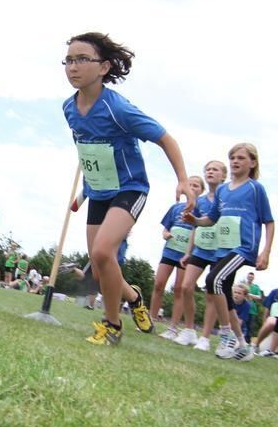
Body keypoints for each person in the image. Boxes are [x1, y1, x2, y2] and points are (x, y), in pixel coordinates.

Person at [62, 32, 194, 346]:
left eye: (82, 59)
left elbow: (165, 138)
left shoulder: (118, 109)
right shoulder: (69, 108)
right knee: (99, 262)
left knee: (103, 251)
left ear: (104, 67)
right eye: (68, 60)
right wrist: (84, 191)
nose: (72, 66)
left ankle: (112, 326)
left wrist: (183, 179)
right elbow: (87, 151)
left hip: (130, 189)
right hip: (98, 191)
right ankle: (134, 298)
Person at [183, 144, 274, 361]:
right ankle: (243, 345)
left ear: (252, 163)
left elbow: (269, 221)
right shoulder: (223, 190)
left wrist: (266, 252)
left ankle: (226, 335)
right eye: (232, 157)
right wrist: (195, 221)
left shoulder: (255, 188)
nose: (235, 161)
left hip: (243, 247)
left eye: (241, 158)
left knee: (213, 278)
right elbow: (211, 219)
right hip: (223, 247)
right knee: (223, 291)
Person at [172, 161, 226, 349]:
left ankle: (205, 338)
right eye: (208, 169)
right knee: (186, 287)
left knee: (212, 293)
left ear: (223, 176)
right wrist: (188, 252)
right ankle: (188, 331)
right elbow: (195, 226)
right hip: (200, 249)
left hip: (219, 250)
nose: (210, 172)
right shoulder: (200, 201)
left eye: (215, 169)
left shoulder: (227, 198)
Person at [155, 176, 204, 341]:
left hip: (187, 255)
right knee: (158, 284)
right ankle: (150, 320)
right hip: (170, 251)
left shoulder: (202, 209)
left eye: (196, 185)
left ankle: (173, 328)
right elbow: (165, 229)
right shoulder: (175, 208)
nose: (192, 187)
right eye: (189, 185)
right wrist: (166, 234)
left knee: (179, 289)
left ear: (201, 190)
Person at [254, 269, 278, 356]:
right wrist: (264, 324)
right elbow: (266, 311)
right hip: (273, 319)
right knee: (273, 321)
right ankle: (256, 346)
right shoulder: (274, 292)